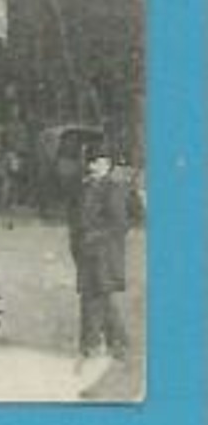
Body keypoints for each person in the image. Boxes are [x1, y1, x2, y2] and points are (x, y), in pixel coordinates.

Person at [69, 148, 131, 375]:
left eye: (100, 162)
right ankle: (117, 345)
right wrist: (77, 245)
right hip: (86, 252)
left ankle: (91, 346)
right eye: (94, 162)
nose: (95, 166)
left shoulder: (112, 188)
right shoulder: (85, 187)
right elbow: (75, 221)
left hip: (104, 253)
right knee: (98, 297)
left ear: (107, 166)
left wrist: (94, 237)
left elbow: (120, 224)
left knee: (94, 297)